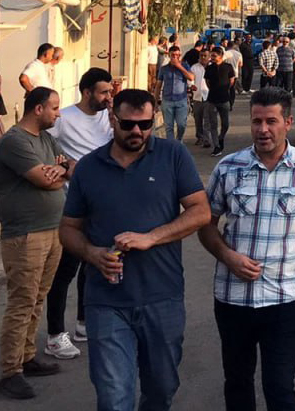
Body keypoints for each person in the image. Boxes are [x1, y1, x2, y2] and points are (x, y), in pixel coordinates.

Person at [59, 88, 210, 410]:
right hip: (106, 302)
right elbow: (68, 229)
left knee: (161, 389)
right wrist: (92, 254)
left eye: (144, 124)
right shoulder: (88, 167)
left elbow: (200, 211)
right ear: (113, 120)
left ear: (154, 117)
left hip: (162, 297)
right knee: (114, 396)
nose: (137, 132)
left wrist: (152, 237)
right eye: (128, 125)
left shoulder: (173, 155)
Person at [199, 87, 295, 411]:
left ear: (288, 122)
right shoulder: (229, 168)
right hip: (232, 299)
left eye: (271, 121)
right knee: (238, 384)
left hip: (284, 299)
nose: (263, 130)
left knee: (280, 388)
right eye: (257, 121)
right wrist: (227, 256)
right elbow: (205, 225)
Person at [0, 88, 67, 399]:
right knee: (22, 302)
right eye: (54, 108)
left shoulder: (45, 138)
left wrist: (61, 169)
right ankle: (8, 370)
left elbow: (70, 166)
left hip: (52, 230)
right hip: (25, 235)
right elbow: (43, 179)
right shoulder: (15, 141)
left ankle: (26, 357)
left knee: (38, 297)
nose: (58, 113)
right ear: (38, 108)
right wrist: (58, 172)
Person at [44, 68, 115, 360]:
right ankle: (54, 335)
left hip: (104, 205)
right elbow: (42, 145)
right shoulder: (67, 118)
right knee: (65, 272)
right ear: (87, 92)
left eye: (111, 92)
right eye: (104, 92)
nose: (109, 97)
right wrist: (64, 164)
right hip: (73, 208)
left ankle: (83, 324)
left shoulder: (108, 116)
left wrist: (114, 116)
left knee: (93, 266)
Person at [157, 46, 195, 142]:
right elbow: (158, 86)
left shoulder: (185, 66)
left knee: (181, 124)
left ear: (180, 56)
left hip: (180, 100)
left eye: (177, 55)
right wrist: (155, 101)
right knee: (168, 127)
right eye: (173, 55)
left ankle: (178, 140)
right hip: (167, 100)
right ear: (169, 55)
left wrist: (179, 66)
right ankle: (171, 146)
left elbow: (191, 77)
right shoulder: (164, 69)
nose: (175, 57)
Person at [204, 47, 237, 156]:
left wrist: (224, 89)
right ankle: (216, 146)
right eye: (211, 56)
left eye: (214, 56)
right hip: (212, 99)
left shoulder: (228, 67)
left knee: (225, 123)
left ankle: (221, 137)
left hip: (224, 99)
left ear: (221, 56)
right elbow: (207, 82)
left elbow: (231, 81)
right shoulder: (209, 68)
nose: (212, 58)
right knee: (213, 124)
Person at [190, 51, 211, 148]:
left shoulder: (212, 67)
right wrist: (191, 85)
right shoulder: (194, 67)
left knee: (207, 119)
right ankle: (200, 137)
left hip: (209, 96)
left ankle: (207, 139)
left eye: (205, 56)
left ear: (209, 56)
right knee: (198, 118)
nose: (203, 57)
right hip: (197, 96)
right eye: (201, 56)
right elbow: (190, 79)